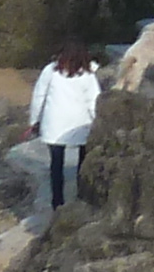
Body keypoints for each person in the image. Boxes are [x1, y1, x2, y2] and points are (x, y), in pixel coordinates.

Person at [27, 42, 101, 211]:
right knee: (84, 162)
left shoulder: (50, 71)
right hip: (81, 123)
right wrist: (97, 120)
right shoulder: (88, 74)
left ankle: (57, 202)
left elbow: (39, 96)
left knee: (56, 164)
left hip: (55, 124)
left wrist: (34, 120)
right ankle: (82, 196)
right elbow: (94, 100)